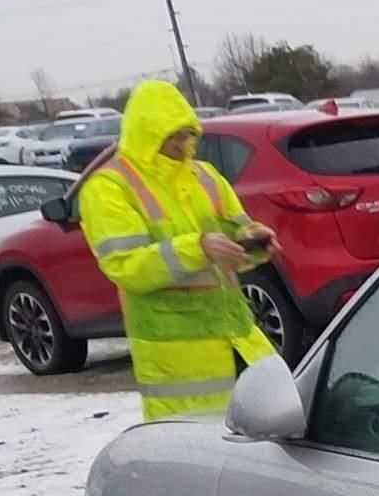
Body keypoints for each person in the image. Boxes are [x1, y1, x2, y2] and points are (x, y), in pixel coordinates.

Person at [79, 81, 278, 420]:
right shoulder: (108, 188)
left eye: (187, 134)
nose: (183, 144)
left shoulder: (206, 176)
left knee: (270, 440)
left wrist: (255, 240)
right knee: (198, 458)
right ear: (146, 133)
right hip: (178, 360)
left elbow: (236, 231)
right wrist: (198, 248)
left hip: (240, 339)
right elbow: (128, 268)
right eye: (172, 136)